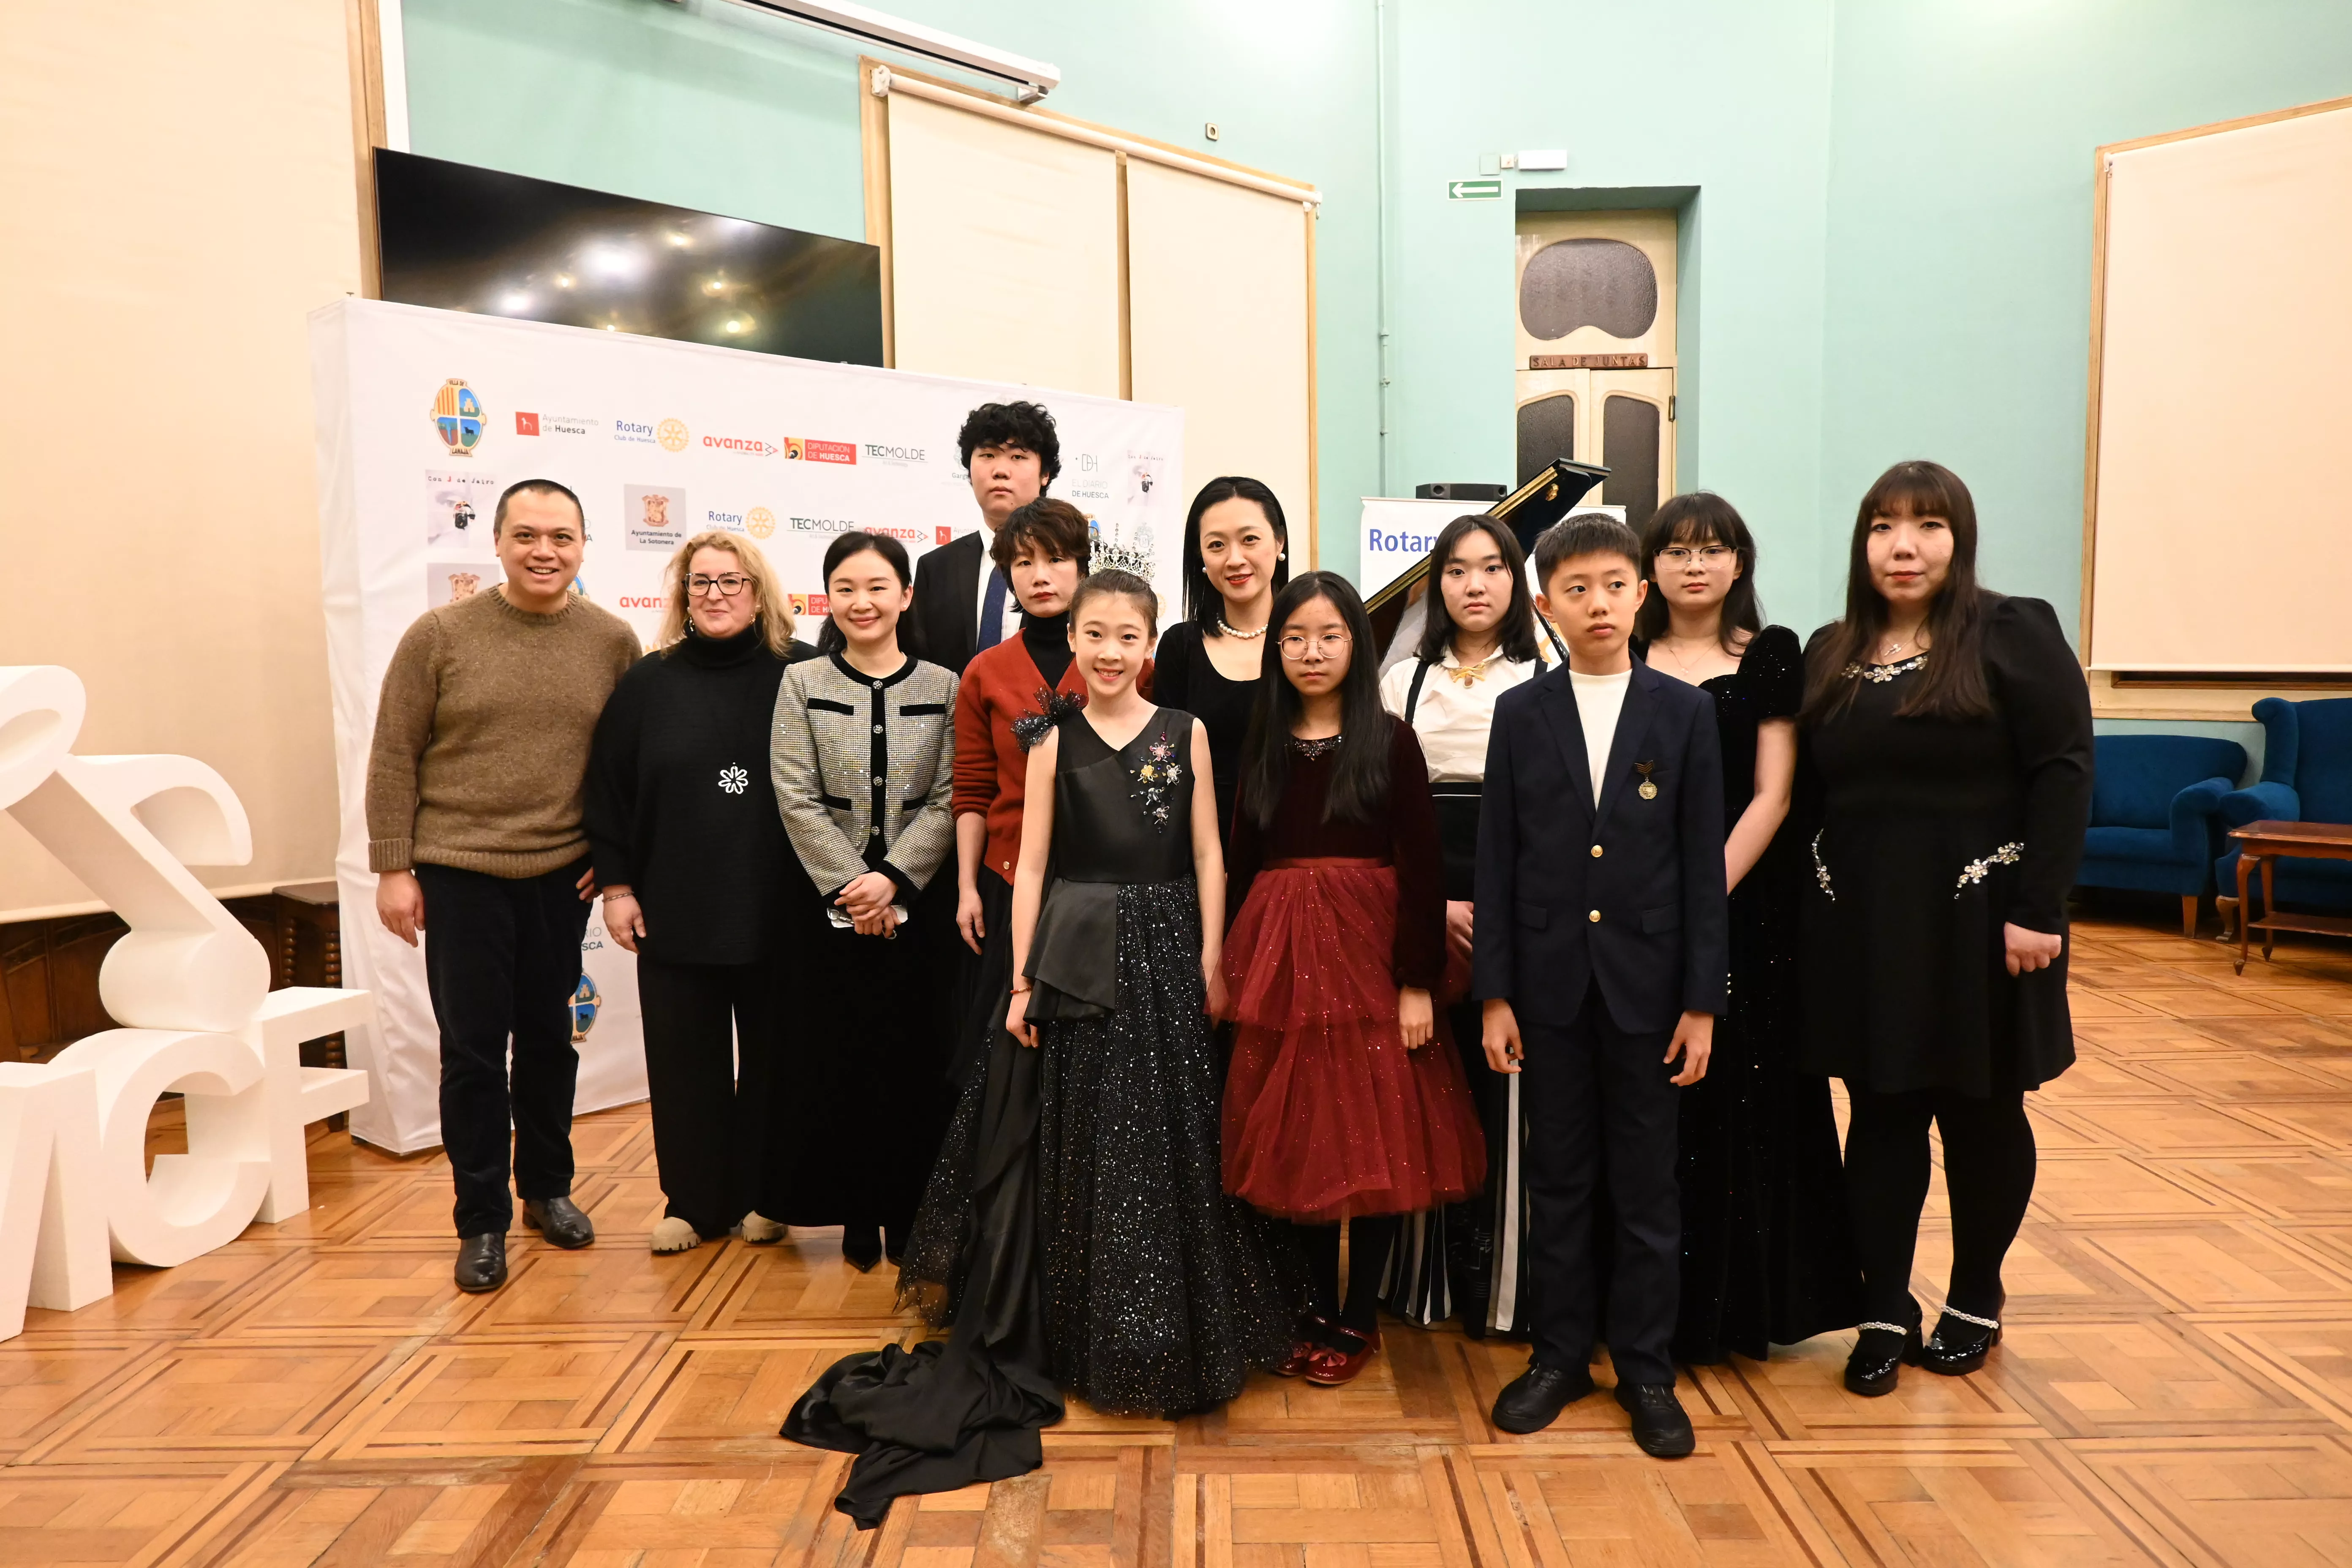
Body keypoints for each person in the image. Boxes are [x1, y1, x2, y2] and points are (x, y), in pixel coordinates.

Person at [784, 572, 1291, 1529]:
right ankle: (1085, 1331)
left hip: (1164, 947)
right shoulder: (1049, 740)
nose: (1106, 649)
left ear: (1149, 644)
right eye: (1093, 632)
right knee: (1082, 1141)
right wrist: (1019, 979)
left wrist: (1214, 957)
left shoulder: (1186, 730)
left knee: (1160, 1138)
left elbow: (1210, 853)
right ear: (1078, 639)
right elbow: (1036, 868)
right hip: (1071, 949)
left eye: (1125, 634)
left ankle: (1154, 1333)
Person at [1797, 461, 2091, 1398]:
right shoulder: (1830, 648)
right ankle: (1885, 1304)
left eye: (1927, 525)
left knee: (1982, 1110)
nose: (1904, 544)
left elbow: (2064, 767)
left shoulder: (2010, 630)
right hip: (1862, 927)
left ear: (1957, 539)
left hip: (1984, 924)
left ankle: (1974, 1294)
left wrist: (2040, 909)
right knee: (1880, 1114)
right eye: (1884, 525)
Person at [1475, 513, 1727, 1456]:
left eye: (1615, 584)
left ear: (1642, 594)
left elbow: (1704, 866)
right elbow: (1498, 858)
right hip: (1546, 991)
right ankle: (1559, 1355)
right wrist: (1494, 992)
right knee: (1561, 1178)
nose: (1598, 603)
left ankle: (1649, 1370)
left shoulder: (1684, 712)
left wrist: (1703, 1001)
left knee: (1648, 1187)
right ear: (1544, 605)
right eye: (1576, 588)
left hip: (1651, 994)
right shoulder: (1521, 713)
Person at [366, 478, 640, 1293]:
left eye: (561, 536)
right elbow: (392, 754)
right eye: (526, 535)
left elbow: (628, 765)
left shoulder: (611, 641)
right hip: (461, 875)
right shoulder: (440, 635)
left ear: (585, 546)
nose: (544, 550)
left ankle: (548, 1191)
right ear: (496, 543)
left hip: (562, 877)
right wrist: (392, 866)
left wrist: (615, 854)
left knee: (551, 1046)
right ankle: (480, 1219)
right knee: (474, 1056)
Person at [1221, 572, 1486, 1387]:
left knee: (1375, 1138)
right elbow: (1238, 858)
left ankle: (1359, 1313)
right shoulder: (1262, 735)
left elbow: (1421, 865)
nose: (1310, 651)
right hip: (1279, 952)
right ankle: (1307, 1305)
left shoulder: (1391, 739)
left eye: (1329, 636)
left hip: (1370, 950)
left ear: (1356, 645)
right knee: (1298, 1134)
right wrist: (1229, 962)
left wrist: (1416, 981)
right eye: (1294, 636)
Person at [1635, 494, 1862, 1363]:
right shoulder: (1626, 647)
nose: (1696, 565)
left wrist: (1703, 891)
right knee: (1653, 1095)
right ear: (1651, 565)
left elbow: (1774, 794)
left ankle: (1742, 1306)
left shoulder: (1770, 655)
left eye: (1715, 549)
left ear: (1741, 563)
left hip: (1746, 901)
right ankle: (1658, 1305)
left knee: (1749, 1093)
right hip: (1633, 905)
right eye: (1679, 550)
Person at [584, 531, 819, 1255]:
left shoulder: (806, 674)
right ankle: (692, 1201)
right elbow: (609, 789)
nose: (715, 593)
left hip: (780, 906)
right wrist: (617, 884)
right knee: (686, 1062)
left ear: (761, 591)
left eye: (731, 580)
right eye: (700, 581)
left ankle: (765, 1195)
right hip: (675, 905)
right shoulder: (649, 683)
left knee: (777, 1059)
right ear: (682, 594)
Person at [1375, 514, 1554, 1336]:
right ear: (1434, 583)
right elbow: (1382, 813)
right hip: (1423, 897)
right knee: (1424, 1081)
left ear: (1516, 580)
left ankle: (1510, 1281)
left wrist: (1506, 908)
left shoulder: (1547, 670)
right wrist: (1431, 906)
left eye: (1491, 567)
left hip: (1523, 896)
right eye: (1456, 569)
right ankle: (1422, 1278)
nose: (1474, 584)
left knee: (1513, 1085)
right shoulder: (1402, 679)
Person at [768, 531, 960, 1271]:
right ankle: (853, 1213)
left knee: (913, 1066)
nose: (862, 601)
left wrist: (895, 879)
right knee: (841, 1063)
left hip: (919, 913)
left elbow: (946, 800)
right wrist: (854, 886)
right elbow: (794, 793)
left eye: (878, 586)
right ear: (829, 599)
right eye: (846, 587)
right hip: (828, 914)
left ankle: (909, 1215)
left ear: (905, 595)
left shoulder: (942, 685)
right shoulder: (801, 681)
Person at [947, 498, 1091, 1090]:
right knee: (1005, 1059)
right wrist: (965, 889)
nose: (1040, 575)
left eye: (1056, 559)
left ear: (1082, 567)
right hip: (1008, 884)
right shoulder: (985, 670)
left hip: (1095, 893)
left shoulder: (1121, 661)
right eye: (1023, 561)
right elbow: (973, 791)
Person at [1152, 476, 1290, 842]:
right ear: (1200, 556)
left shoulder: (1308, 640)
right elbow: (1166, 763)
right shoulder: (1180, 646)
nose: (1235, 559)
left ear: (1279, 542)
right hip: (1202, 851)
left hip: (1298, 853)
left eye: (1250, 539)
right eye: (1217, 545)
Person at [909, 400, 1059, 673]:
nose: (1000, 470)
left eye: (1018, 457)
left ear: (1045, 474)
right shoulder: (935, 568)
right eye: (988, 455)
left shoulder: (1075, 565)